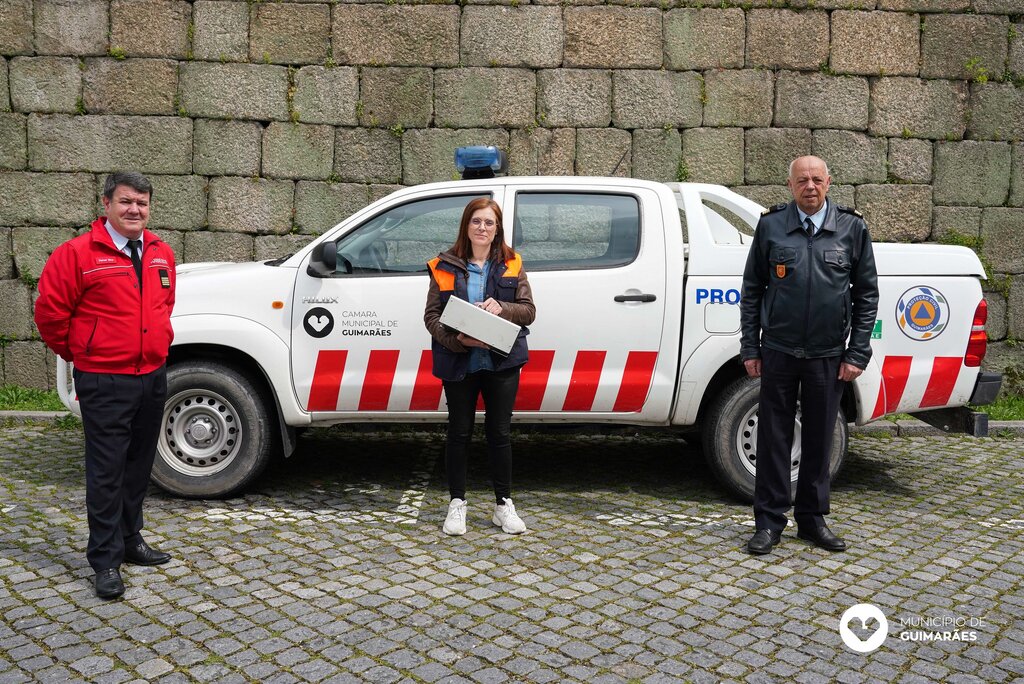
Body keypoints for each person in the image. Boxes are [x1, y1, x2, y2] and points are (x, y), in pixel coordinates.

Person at [34, 172, 176, 599]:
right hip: (104, 379)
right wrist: (85, 352)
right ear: (107, 204)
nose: (135, 210)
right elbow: (50, 314)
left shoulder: (159, 253)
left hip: (151, 376)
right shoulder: (77, 254)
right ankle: (105, 560)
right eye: (126, 201)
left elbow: (164, 306)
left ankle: (131, 540)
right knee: (106, 471)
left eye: (142, 203)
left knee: (138, 466)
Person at [739, 156, 878, 555]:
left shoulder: (852, 228)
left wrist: (857, 353)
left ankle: (812, 520)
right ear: (790, 185)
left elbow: (866, 295)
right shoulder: (771, 226)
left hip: (828, 355)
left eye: (817, 179)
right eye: (803, 180)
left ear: (829, 183)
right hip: (779, 351)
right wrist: (751, 347)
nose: (810, 187)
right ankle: (768, 523)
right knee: (773, 439)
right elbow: (752, 291)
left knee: (819, 438)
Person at [424, 197, 536, 536]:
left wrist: (502, 308)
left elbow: (528, 310)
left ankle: (503, 505)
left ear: (497, 228)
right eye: (476, 222)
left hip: (501, 362)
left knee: (499, 434)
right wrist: (459, 341)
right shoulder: (443, 265)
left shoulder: (512, 263)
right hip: (461, 361)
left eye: (489, 222)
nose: (482, 228)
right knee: (458, 433)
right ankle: (457, 503)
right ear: (466, 226)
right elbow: (431, 317)